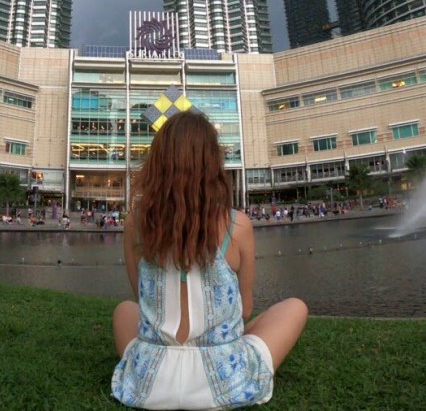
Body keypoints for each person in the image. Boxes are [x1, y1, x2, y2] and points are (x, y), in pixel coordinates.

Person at [111, 111, 308, 409]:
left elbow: (142, 299)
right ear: (212, 164)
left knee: (124, 310)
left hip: (151, 383)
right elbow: (246, 309)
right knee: (295, 307)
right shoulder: (237, 226)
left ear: (157, 163)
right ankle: (219, 347)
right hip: (223, 382)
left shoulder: (135, 224)